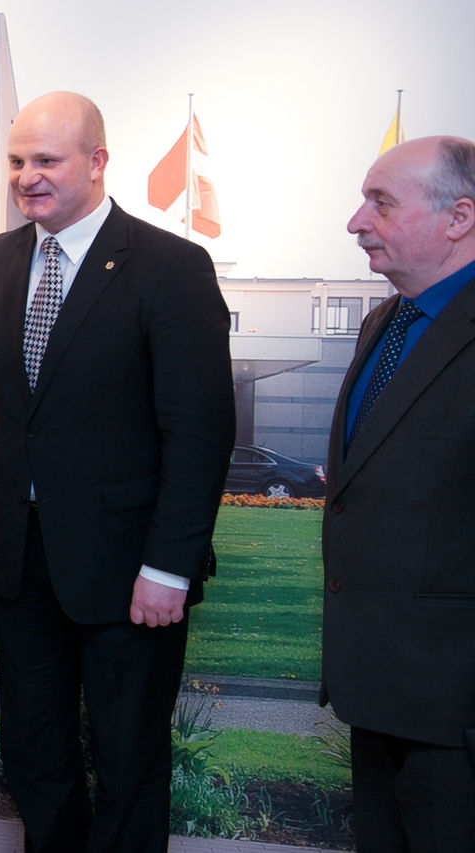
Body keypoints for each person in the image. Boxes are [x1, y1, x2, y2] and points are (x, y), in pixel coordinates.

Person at [0, 91, 235, 852]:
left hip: (132, 572)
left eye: (46, 160)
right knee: (34, 756)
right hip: (19, 564)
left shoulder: (171, 267)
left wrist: (170, 567)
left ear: (98, 161)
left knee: (128, 763)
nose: (26, 176)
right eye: (17, 160)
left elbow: (200, 432)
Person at [324, 135, 475, 852]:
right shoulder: (384, 324)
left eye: (380, 202)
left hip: (456, 714)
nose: (357, 221)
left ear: (460, 217)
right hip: (375, 696)